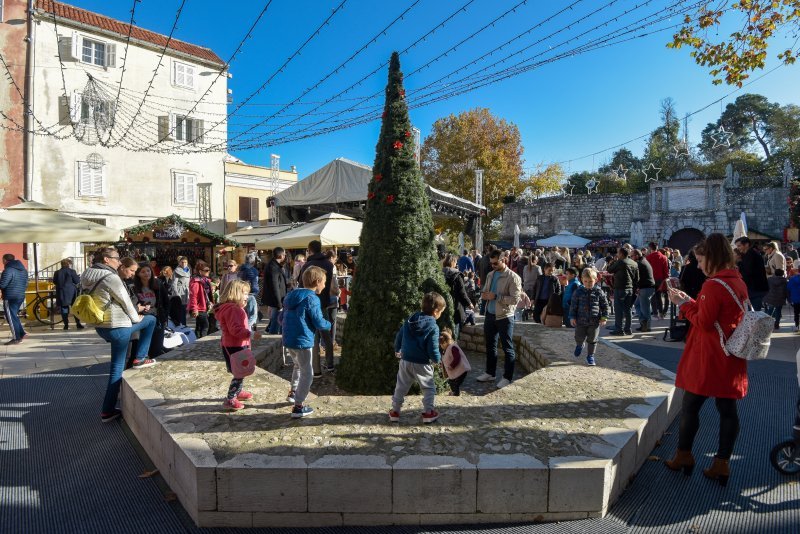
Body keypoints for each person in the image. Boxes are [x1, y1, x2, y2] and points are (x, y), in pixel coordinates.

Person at [664, 233, 750, 486]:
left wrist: (682, 303)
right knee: (727, 410)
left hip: (710, 355)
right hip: (730, 354)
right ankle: (722, 463)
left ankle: (684, 455)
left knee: (690, 407)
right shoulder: (737, 280)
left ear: (711, 258)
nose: (699, 266)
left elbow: (703, 321)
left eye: (701, 260)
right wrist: (692, 302)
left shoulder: (713, 285)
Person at [82, 247, 157, 423]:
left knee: (116, 366)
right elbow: (125, 301)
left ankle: (139, 358)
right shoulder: (111, 277)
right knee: (150, 320)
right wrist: (136, 318)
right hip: (117, 326)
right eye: (116, 259)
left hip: (101, 325)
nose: (119, 262)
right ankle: (139, 358)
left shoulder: (87, 274)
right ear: (106, 260)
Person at [282, 266, 331, 418]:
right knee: (307, 373)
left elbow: (281, 317)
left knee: (297, 366)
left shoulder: (291, 296)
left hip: (289, 339)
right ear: (317, 282)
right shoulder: (312, 298)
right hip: (303, 340)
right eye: (324, 282)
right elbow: (318, 321)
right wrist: (328, 324)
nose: (324, 285)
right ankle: (298, 406)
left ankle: (293, 392)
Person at [390, 292, 446, 423]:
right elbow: (433, 347)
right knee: (428, 388)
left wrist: (397, 349)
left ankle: (395, 411)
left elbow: (400, 335)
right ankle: (428, 413)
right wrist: (437, 360)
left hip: (406, 360)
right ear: (436, 311)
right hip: (423, 363)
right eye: (441, 312)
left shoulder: (410, 320)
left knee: (401, 386)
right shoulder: (433, 326)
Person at [476, 250, 522, 389]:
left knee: (508, 348)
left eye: (496, 263)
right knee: (490, 346)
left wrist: (496, 297)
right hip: (490, 314)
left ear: (504, 260)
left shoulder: (513, 277)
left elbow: (515, 300)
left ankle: (507, 377)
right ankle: (490, 373)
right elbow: (486, 290)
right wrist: (483, 295)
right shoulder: (491, 274)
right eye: (491, 263)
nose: (493, 266)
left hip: (505, 317)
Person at [215, 279, 262, 411]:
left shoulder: (231, 308)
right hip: (235, 346)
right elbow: (235, 330)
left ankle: (238, 392)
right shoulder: (234, 310)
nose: (247, 297)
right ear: (236, 293)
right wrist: (251, 334)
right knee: (239, 373)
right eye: (245, 293)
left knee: (239, 371)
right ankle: (230, 398)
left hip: (233, 345)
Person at [299, 240, 336, 375]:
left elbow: (301, 284)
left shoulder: (307, 265)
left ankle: (316, 370)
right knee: (327, 336)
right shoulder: (329, 264)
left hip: (309, 303)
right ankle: (330, 364)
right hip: (324, 303)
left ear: (310, 250)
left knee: (314, 338)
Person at [570, 267, 609, 366]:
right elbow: (573, 305)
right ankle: (580, 344)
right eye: (585, 281)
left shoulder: (599, 292)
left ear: (595, 280)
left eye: (590, 281)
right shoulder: (578, 292)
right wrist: (572, 317)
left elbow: (604, 305)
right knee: (579, 336)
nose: (588, 283)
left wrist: (604, 317)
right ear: (581, 280)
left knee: (593, 339)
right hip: (580, 320)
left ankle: (590, 356)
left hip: (594, 321)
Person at [133, 265, 169, 357]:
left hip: (157, 318)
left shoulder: (158, 284)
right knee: (140, 348)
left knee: (156, 348)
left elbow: (165, 301)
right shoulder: (133, 287)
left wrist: (165, 317)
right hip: (142, 319)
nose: (146, 273)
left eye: (148, 271)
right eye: (143, 272)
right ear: (138, 274)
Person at [606, 248, 639, 336]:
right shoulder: (634, 263)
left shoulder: (621, 262)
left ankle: (619, 329)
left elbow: (609, 270)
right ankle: (628, 329)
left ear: (621, 254)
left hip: (620, 288)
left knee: (619, 310)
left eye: (618, 253)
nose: (617, 254)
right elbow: (637, 278)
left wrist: (612, 262)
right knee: (628, 309)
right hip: (630, 288)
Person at [442, 253, 475, 340]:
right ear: (453, 262)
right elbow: (462, 293)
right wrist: (469, 304)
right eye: (456, 262)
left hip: (441, 306)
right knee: (454, 333)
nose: (456, 264)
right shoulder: (457, 275)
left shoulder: (440, 273)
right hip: (455, 306)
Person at [0, 253, 29, 344]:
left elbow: (3, 284)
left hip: (10, 297)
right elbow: (26, 284)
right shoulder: (23, 270)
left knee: (11, 317)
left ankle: (16, 338)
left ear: (5, 260)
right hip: (20, 295)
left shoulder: (8, 270)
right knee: (13, 315)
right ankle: (22, 333)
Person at [734, 237, 769, 311]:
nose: (738, 248)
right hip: (753, 289)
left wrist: (739, 265)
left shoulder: (752, 255)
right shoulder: (747, 255)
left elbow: (748, 272)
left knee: (753, 314)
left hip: (755, 290)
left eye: (739, 246)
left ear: (746, 244)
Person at [262, 247, 288, 335]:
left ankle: (279, 341)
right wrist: (279, 304)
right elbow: (275, 286)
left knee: (277, 321)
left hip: (278, 299)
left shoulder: (275, 265)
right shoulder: (273, 267)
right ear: (281, 256)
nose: (285, 256)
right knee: (276, 321)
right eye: (284, 254)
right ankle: (273, 341)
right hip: (276, 299)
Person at [53, 258, 83, 330]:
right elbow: (76, 281)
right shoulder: (72, 271)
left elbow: (54, 282)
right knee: (75, 308)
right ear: (68, 264)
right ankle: (78, 324)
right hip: (72, 292)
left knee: (64, 308)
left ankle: (66, 325)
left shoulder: (57, 272)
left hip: (61, 292)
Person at [439, 327, 470, 396]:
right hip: (455, 371)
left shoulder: (453, 347)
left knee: (456, 383)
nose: (441, 346)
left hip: (462, 370)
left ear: (447, 341)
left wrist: (452, 365)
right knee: (451, 381)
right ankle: (454, 392)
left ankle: (456, 393)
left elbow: (457, 358)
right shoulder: (446, 349)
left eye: (442, 344)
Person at [631, 249, 655, 333]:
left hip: (646, 288)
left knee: (645, 309)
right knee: (638, 304)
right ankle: (643, 322)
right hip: (647, 287)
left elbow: (637, 278)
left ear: (637, 256)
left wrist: (636, 287)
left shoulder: (639, 264)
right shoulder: (644, 260)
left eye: (632, 256)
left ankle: (647, 326)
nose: (631, 258)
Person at [187, 260, 213, 339]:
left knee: (199, 326)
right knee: (205, 326)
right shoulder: (196, 282)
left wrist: (210, 302)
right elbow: (193, 296)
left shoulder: (205, 281)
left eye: (209, 270)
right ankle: (201, 341)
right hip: (199, 307)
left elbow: (207, 294)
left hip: (205, 306)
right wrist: (194, 309)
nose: (208, 272)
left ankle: (197, 340)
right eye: (206, 270)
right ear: (200, 271)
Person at [646, 242, 670, 320]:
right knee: (659, 296)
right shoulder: (664, 257)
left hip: (651, 279)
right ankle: (661, 313)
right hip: (661, 279)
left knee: (653, 296)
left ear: (650, 248)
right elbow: (666, 270)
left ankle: (655, 313)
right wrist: (666, 280)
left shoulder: (648, 257)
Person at [238, 252, 260, 332]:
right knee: (253, 314)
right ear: (253, 262)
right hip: (251, 293)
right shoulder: (253, 270)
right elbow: (254, 283)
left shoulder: (240, 269)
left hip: (242, 293)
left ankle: (248, 328)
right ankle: (248, 329)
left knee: (245, 312)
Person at [171, 256, 191, 326]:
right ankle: (181, 324)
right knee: (180, 309)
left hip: (186, 291)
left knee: (185, 309)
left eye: (185, 262)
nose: (184, 264)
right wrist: (176, 294)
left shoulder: (188, 270)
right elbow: (174, 283)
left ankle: (184, 324)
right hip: (179, 291)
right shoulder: (177, 270)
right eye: (182, 262)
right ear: (179, 262)